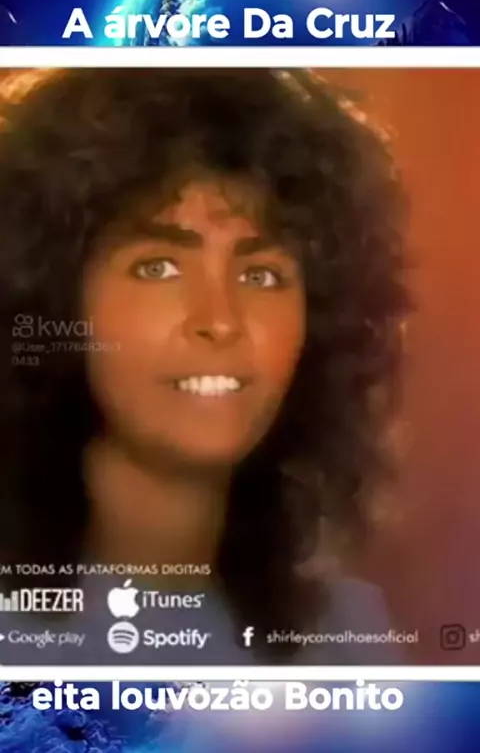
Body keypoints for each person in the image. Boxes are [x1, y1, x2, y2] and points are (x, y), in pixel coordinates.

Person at [0, 68, 410, 664]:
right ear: (53, 297)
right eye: (158, 268)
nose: (220, 320)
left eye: (260, 275)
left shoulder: (343, 634)